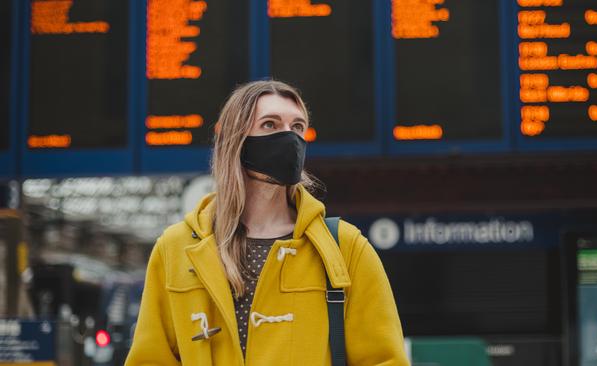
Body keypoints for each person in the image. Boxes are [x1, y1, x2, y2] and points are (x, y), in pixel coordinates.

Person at [125, 80, 408, 365]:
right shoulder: (175, 248)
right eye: (270, 125)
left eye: (297, 127)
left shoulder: (346, 248)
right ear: (236, 139)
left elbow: (385, 359)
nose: (289, 137)